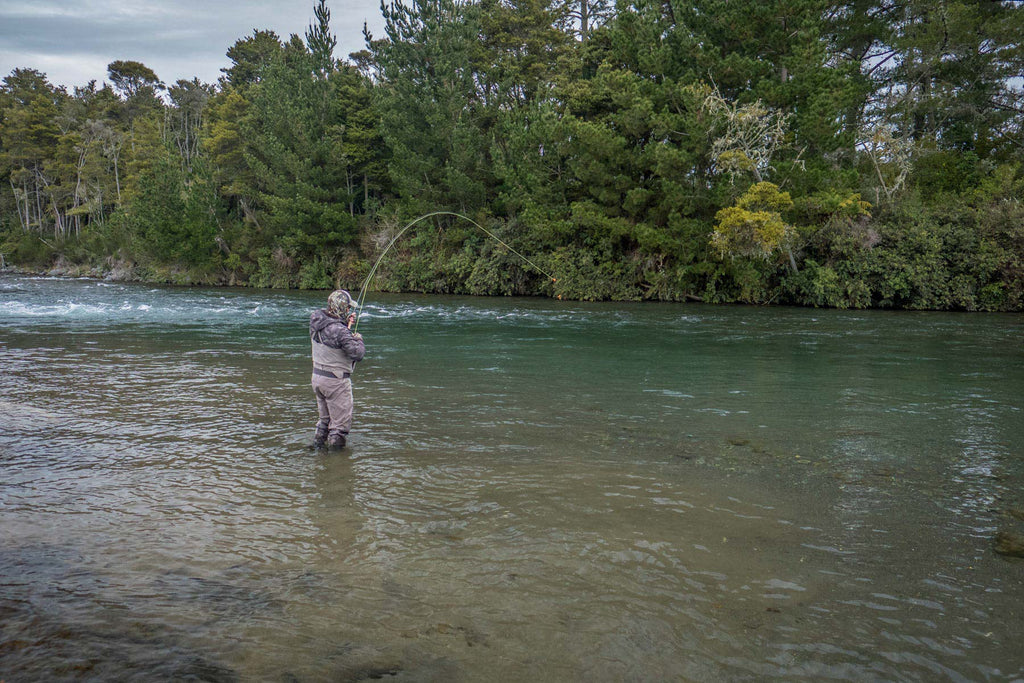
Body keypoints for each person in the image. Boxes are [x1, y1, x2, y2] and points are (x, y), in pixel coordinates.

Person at [310, 289, 365, 448]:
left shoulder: (316, 320)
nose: (349, 310)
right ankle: (337, 464)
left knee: (324, 421)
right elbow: (358, 353)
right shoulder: (341, 331)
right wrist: (358, 338)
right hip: (336, 382)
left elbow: (332, 333)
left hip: (317, 379)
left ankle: (317, 450)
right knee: (339, 428)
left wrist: (345, 324)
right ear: (341, 308)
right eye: (347, 308)